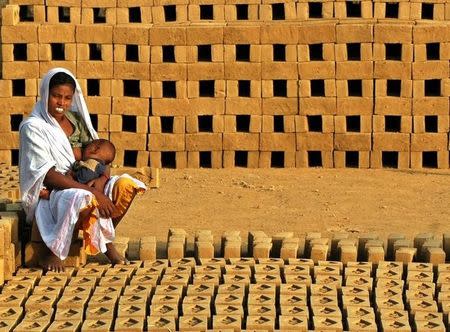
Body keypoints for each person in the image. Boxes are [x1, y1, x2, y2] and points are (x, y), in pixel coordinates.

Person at [19, 68, 146, 272]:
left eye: (67, 98)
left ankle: (99, 238)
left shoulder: (76, 120)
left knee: (126, 184)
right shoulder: (33, 127)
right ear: (45, 94)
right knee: (80, 197)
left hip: (88, 180)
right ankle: (59, 251)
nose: (62, 103)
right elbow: (49, 175)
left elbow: (100, 154)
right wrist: (93, 191)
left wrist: (102, 180)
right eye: (56, 96)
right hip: (55, 190)